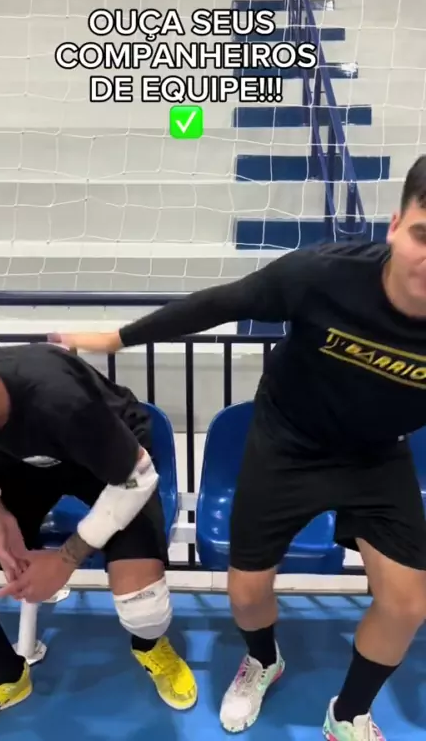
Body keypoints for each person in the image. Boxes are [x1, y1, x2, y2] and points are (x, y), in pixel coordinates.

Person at [51, 157, 426, 741]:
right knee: (247, 595)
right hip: (288, 445)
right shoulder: (324, 275)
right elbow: (220, 303)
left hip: (377, 455)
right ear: (395, 226)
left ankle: (349, 713)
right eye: (423, 236)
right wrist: (117, 338)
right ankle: (264, 659)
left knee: (406, 604)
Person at [0, 335, 197, 741]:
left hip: (111, 465)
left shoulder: (59, 399)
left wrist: (66, 560)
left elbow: (137, 478)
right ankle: (6, 678)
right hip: (18, 465)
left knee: (144, 608)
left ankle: (149, 646)